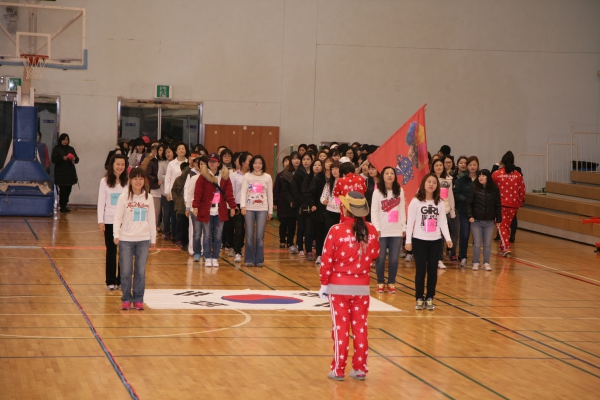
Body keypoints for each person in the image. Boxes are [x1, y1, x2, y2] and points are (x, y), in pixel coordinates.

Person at [318, 191, 380, 381]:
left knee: (340, 329)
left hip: (338, 288)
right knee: (360, 327)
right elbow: (376, 254)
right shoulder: (371, 229)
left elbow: (326, 259)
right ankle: (360, 368)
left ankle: (338, 370)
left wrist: (323, 283)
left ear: (345, 208)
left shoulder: (336, 230)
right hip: (362, 288)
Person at [405, 173, 452, 311]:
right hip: (419, 240)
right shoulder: (416, 201)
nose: (431, 184)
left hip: (436, 241)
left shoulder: (440, 202)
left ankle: (430, 297)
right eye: (429, 182)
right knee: (420, 271)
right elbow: (410, 222)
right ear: (424, 184)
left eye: (434, 182)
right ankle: (419, 297)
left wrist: (448, 239)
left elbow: (443, 222)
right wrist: (408, 241)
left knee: (432, 271)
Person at [113, 167, 156, 311]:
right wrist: (116, 235)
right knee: (125, 271)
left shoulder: (148, 197)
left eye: (141, 178)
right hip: (126, 239)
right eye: (135, 178)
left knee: (140, 271)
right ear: (130, 180)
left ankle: (138, 299)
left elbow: (152, 219)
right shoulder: (123, 197)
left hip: (143, 239)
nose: (138, 181)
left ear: (144, 181)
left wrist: (153, 238)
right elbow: (117, 217)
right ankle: (126, 299)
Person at [192, 152, 237, 267]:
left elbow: (229, 193)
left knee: (218, 236)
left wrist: (232, 206)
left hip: (219, 210)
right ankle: (207, 256)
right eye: (210, 161)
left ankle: (215, 256)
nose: (211, 163)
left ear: (218, 163)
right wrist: (195, 206)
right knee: (207, 235)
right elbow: (198, 193)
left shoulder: (224, 177)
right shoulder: (202, 177)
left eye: (214, 161)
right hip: (206, 210)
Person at [371, 166, 406, 294]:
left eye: (392, 173)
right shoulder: (377, 192)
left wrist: (404, 226)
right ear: (383, 176)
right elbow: (374, 211)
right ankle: (380, 282)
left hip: (396, 230)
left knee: (394, 259)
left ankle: (391, 282)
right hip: (382, 230)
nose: (390, 175)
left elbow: (402, 209)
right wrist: (376, 227)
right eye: (387, 173)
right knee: (380, 258)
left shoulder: (400, 191)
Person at [97, 154, 128, 290]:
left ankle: (121, 280)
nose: (120, 167)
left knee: (124, 251)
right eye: (117, 164)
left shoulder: (128, 182)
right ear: (112, 165)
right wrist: (100, 220)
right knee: (111, 251)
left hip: (124, 221)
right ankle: (110, 280)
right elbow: (101, 202)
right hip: (109, 220)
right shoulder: (104, 181)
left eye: (122, 164)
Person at [241, 155, 273, 267]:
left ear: (263, 164)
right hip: (249, 208)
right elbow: (243, 192)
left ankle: (259, 259)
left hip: (262, 209)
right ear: (251, 164)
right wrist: (243, 206)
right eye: (255, 163)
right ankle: (249, 259)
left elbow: (270, 194)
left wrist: (270, 211)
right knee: (249, 234)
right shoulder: (247, 176)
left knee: (260, 236)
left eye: (260, 163)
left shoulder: (267, 177)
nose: (257, 165)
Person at [466, 169, 502, 271]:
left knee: (487, 243)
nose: (480, 178)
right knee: (477, 243)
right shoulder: (474, 188)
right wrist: (470, 216)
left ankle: (486, 262)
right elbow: (469, 203)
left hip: (489, 221)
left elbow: (497, 205)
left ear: (488, 177)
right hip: (476, 221)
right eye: (479, 176)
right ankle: (476, 262)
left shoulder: (494, 189)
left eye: (483, 176)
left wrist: (498, 218)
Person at [492, 151, 525, 257]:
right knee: (505, 227)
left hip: (500, 205)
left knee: (501, 227)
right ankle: (503, 247)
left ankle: (506, 247)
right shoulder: (518, 175)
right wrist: (519, 203)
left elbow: (492, 189)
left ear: (502, 161)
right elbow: (522, 190)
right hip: (513, 205)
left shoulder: (496, 174)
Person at [431, 157, 456, 269]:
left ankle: (439, 259)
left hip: (444, 211)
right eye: (436, 165)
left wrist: (452, 210)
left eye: (440, 165)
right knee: (431, 235)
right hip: (431, 211)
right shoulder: (429, 179)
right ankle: (430, 258)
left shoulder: (449, 179)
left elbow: (450, 196)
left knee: (441, 237)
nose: (439, 167)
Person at [454, 156, 479, 267]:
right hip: (464, 211)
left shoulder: (481, 179)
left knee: (476, 237)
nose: (472, 167)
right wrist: (467, 200)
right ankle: (463, 256)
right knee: (464, 234)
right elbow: (456, 193)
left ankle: (476, 259)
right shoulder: (461, 179)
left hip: (478, 212)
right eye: (470, 165)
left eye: (474, 165)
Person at [164, 142, 188, 241]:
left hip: (185, 193)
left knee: (183, 218)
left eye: (183, 148)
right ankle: (174, 235)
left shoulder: (188, 162)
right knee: (173, 217)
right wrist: (167, 193)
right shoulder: (172, 164)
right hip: (174, 193)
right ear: (176, 151)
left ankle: (182, 237)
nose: (181, 150)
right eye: (179, 148)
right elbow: (168, 179)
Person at [290, 152, 313, 256]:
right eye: (304, 159)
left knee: (309, 228)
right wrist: (302, 202)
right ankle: (300, 248)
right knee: (301, 227)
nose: (306, 161)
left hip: (311, 205)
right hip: (300, 205)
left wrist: (311, 203)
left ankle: (309, 250)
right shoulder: (298, 173)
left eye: (308, 159)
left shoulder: (314, 174)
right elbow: (294, 190)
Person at [231, 152, 252, 262]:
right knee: (239, 229)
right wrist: (232, 206)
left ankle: (246, 250)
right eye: (249, 160)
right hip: (238, 205)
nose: (251, 163)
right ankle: (237, 251)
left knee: (249, 230)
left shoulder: (253, 175)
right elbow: (232, 191)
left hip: (251, 205)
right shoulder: (234, 175)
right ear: (243, 162)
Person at [300, 158, 322, 261]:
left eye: (319, 165)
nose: (317, 166)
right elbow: (304, 193)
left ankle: (319, 252)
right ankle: (308, 251)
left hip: (320, 209)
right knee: (308, 231)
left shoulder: (323, 179)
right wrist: (311, 204)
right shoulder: (307, 178)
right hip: (309, 209)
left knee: (318, 232)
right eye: (315, 165)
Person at [307, 158, 328, 265]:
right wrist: (313, 204)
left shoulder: (336, 180)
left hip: (332, 212)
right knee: (319, 234)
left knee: (329, 235)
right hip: (319, 211)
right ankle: (319, 255)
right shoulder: (318, 178)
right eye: (327, 162)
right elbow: (310, 193)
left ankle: (328, 255)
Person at [52, 133, 79, 213]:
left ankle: (65, 204)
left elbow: (77, 160)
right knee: (63, 190)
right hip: (61, 173)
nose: (65, 141)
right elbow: (54, 159)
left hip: (70, 173)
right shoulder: (56, 149)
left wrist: (74, 158)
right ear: (60, 140)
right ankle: (62, 206)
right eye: (63, 139)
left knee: (68, 190)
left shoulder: (71, 149)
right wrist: (62, 158)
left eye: (67, 139)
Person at [273, 155, 290, 248]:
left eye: (288, 161)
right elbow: (276, 189)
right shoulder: (280, 175)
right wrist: (275, 202)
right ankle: (282, 240)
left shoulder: (293, 174)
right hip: (282, 203)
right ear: (283, 164)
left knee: (291, 223)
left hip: (291, 204)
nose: (287, 163)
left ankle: (290, 241)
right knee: (283, 223)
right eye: (285, 161)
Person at [159, 144, 175, 240]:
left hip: (176, 194)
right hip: (165, 192)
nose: (168, 154)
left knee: (174, 214)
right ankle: (166, 232)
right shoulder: (162, 164)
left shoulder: (178, 163)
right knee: (166, 213)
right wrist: (170, 177)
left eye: (169, 152)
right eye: (166, 153)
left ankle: (174, 232)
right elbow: (160, 176)